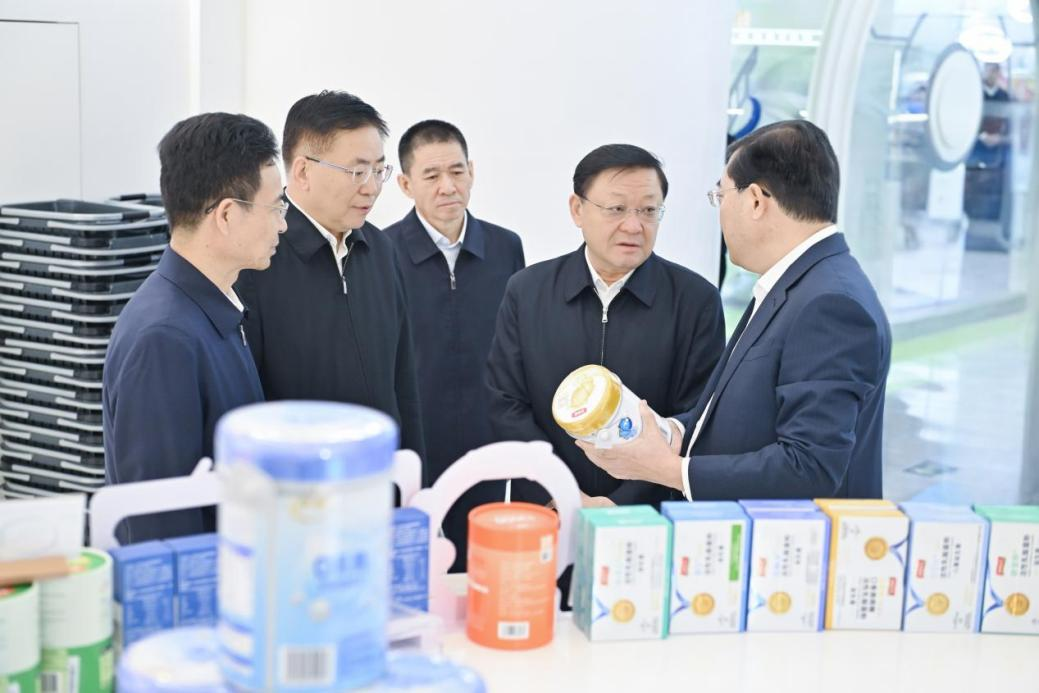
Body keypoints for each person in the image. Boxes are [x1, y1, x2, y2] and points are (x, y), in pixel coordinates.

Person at [579, 120, 891, 501]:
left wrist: (668, 470)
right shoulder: (797, 283)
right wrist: (671, 432)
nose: (720, 211)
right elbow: (742, 413)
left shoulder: (829, 304)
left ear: (756, 201)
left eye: (720, 196)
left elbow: (809, 467)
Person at [486, 144, 725, 508]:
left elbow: (696, 416)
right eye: (616, 209)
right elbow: (506, 405)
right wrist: (560, 494)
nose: (634, 225)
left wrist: (619, 506)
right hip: (545, 507)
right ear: (577, 209)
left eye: (648, 210)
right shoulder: (527, 290)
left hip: (649, 513)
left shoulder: (696, 300)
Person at [103, 112, 287, 541]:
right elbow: (159, 525)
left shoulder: (214, 308)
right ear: (227, 215)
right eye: (276, 206)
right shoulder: (164, 339)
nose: (282, 222)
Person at [235, 91, 424, 458]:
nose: (371, 187)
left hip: (381, 475)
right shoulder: (257, 262)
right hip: (302, 481)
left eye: (378, 170)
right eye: (357, 171)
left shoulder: (381, 250)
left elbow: (404, 384)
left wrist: (413, 475)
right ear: (303, 171)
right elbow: (248, 405)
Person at [384, 120, 524, 570]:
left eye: (457, 171)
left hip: (488, 436)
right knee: (417, 563)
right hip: (416, 438)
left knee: (483, 561)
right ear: (406, 184)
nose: (448, 186)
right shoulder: (381, 253)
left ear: (472, 172)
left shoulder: (506, 247)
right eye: (431, 175)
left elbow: (517, 346)